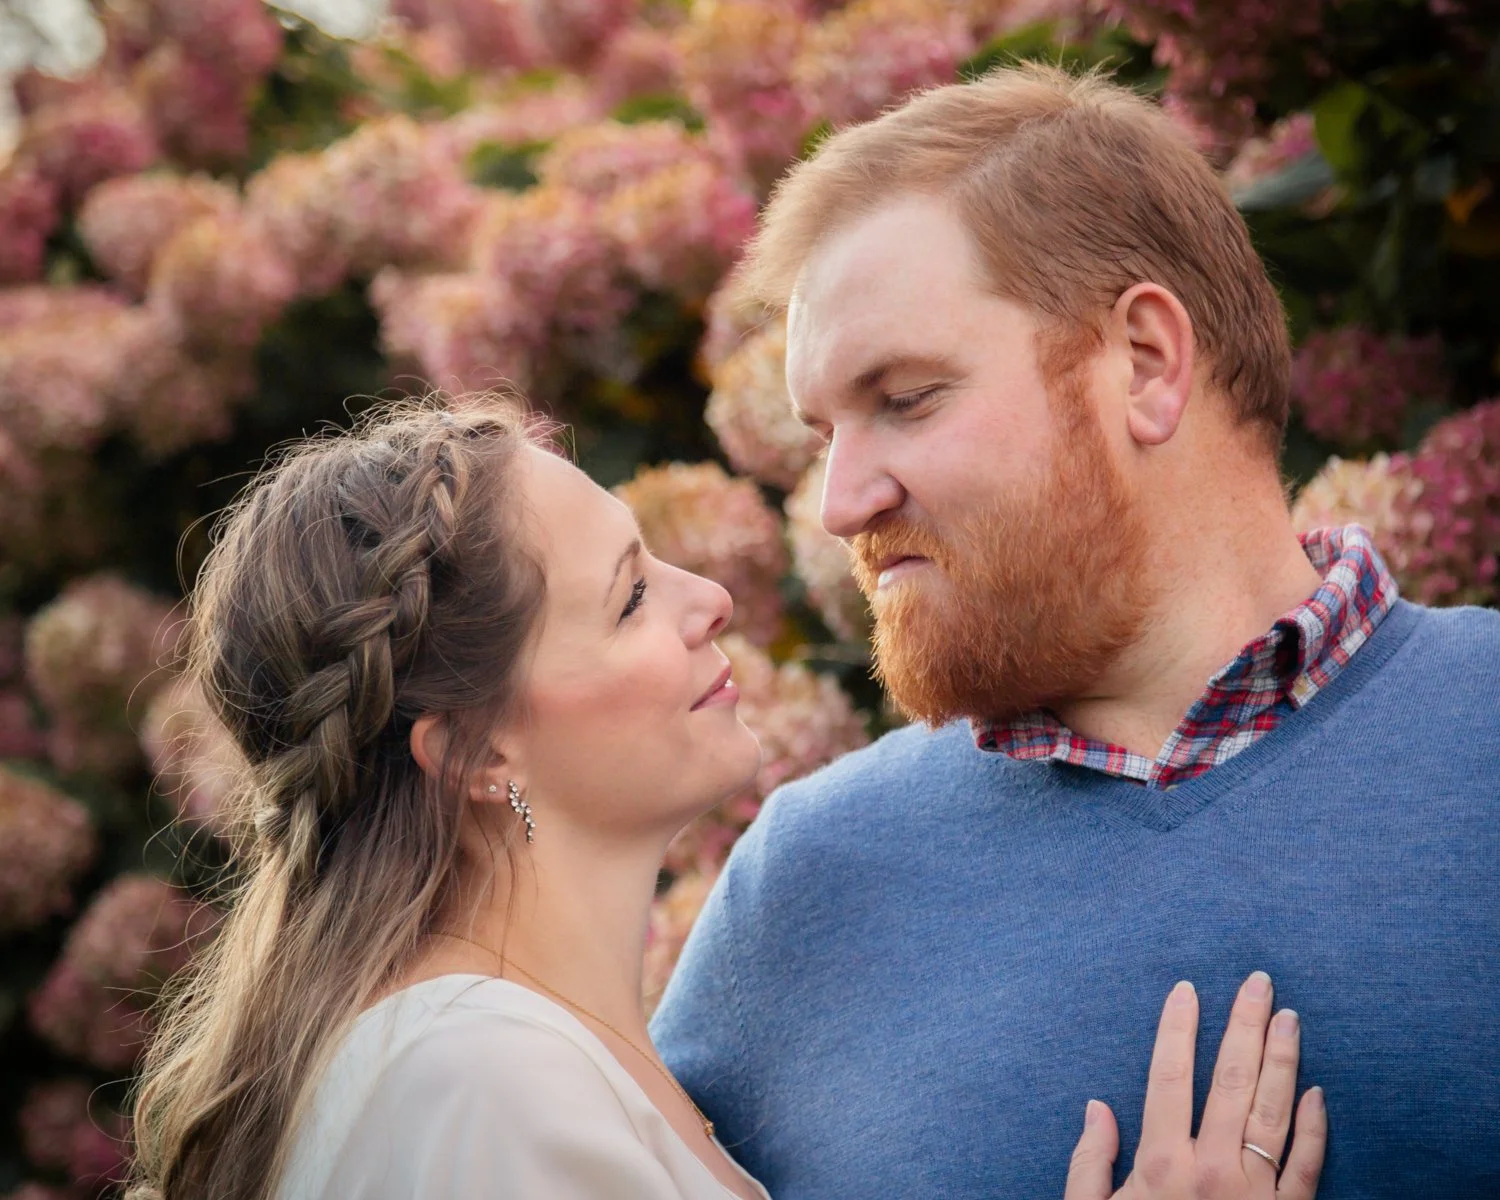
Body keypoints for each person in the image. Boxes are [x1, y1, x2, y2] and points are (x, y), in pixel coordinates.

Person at [651, 63, 1500, 1200]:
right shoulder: (804, 890)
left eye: (905, 399)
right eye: (822, 435)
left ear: (1145, 364)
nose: (839, 502)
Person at [125, 399, 1323, 1200]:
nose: (711, 598)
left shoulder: (534, 1054)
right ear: (478, 751)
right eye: (631, 597)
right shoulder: (475, 1086)